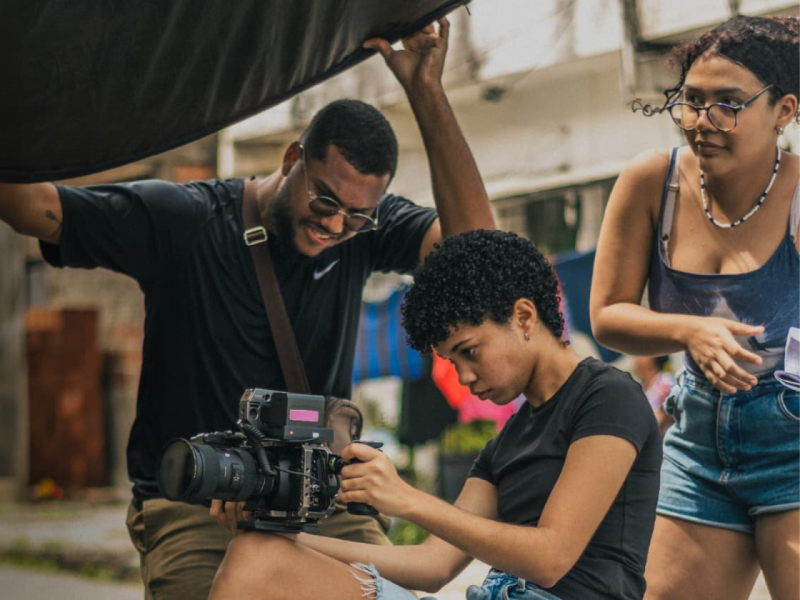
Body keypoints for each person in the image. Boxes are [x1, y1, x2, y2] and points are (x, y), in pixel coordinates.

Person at [0, 19, 496, 600]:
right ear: (293, 157)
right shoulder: (185, 220)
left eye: (357, 215)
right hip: (198, 501)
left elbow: (477, 257)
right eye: (325, 199)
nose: (335, 225)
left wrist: (427, 92)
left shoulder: (362, 231)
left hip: (321, 494)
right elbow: (32, 208)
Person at [208, 229, 662, 600]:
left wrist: (407, 499)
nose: (463, 376)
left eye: (469, 351)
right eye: (450, 361)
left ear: (524, 317)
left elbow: (551, 557)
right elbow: (431, 567)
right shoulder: (505, 444)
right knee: (257, 555)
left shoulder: (607, 396)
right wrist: (281, 536)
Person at [590, 15, 799, 600]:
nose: (701, 121)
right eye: (692, 101)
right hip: (698, 437)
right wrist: (692, 330)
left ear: (784, 110)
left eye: (729, 104)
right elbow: (607, 314)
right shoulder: (652, 182)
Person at [631, 356, 675, 437]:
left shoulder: (665, 381)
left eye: (640, 355)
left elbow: (661, 418)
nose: (635, 359)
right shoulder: (641, 389)